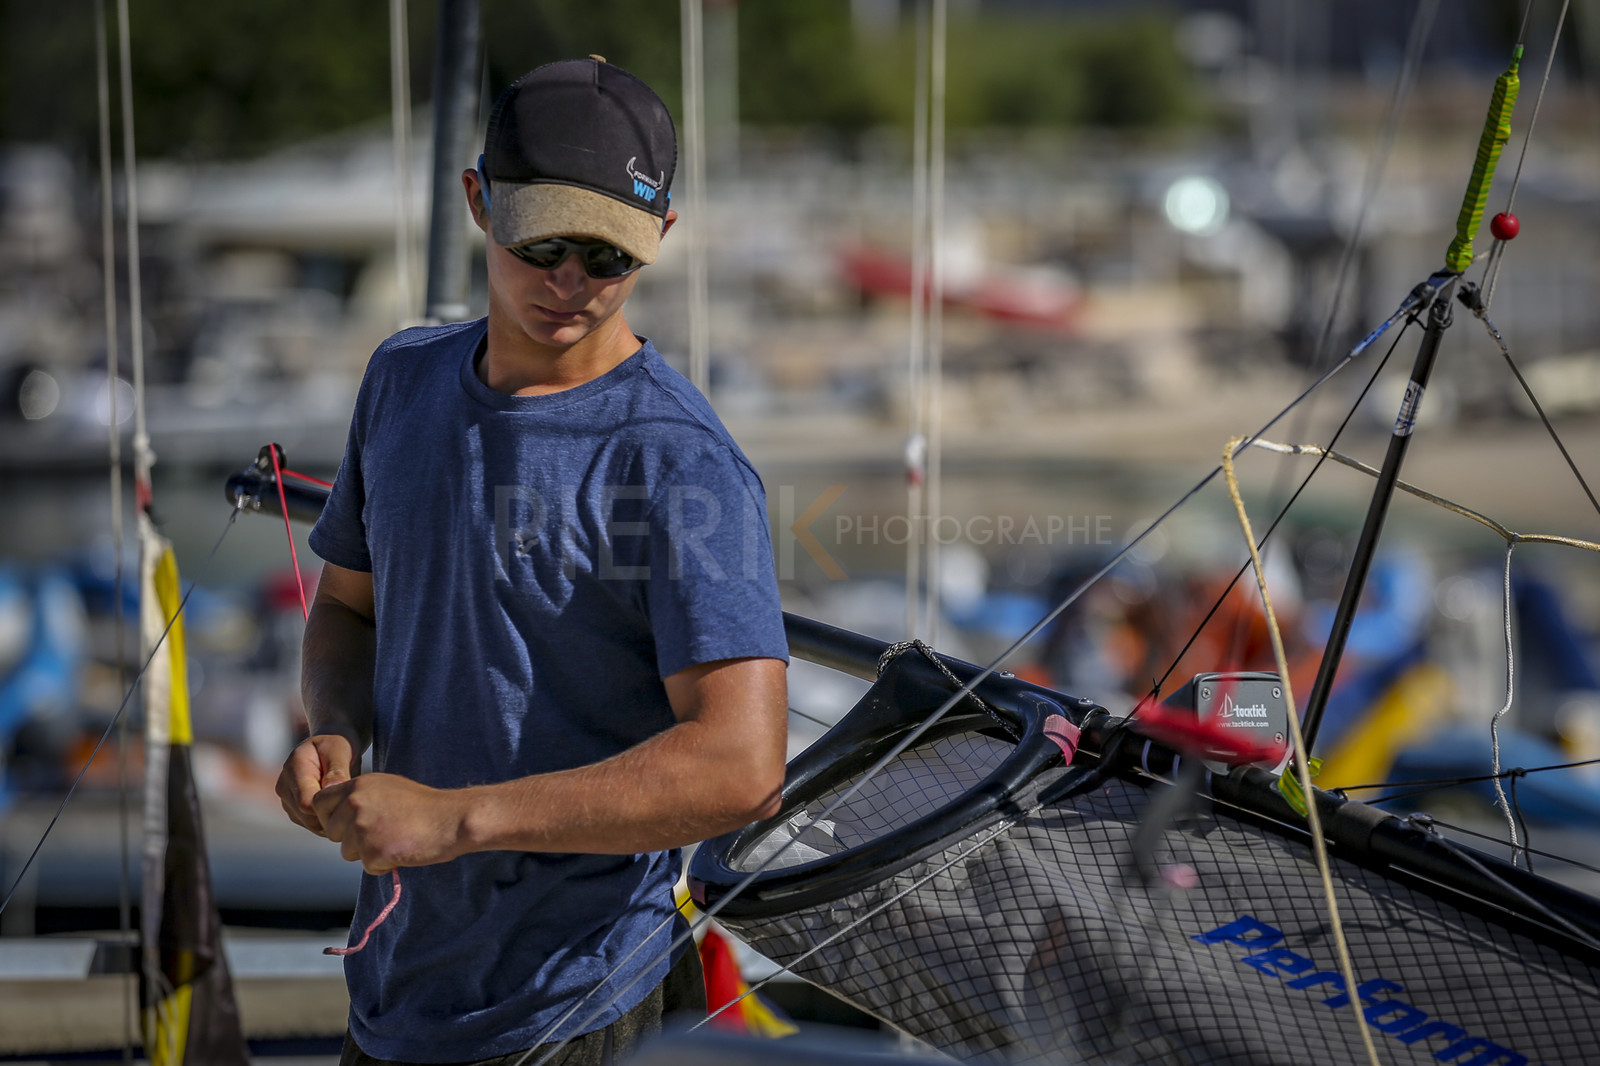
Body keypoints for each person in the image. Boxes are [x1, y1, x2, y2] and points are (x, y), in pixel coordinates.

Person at [275, 56, 790, 1066]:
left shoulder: (679, 460)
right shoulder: (400, 379)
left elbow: (743, 767)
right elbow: (348, 610)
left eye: (607, 255)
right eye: (542, 241)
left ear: (661, 235)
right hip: (392, 997)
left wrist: (456, 820)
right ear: (479, 201)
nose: (570, 282)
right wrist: (334, 729)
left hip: (577, 1012)